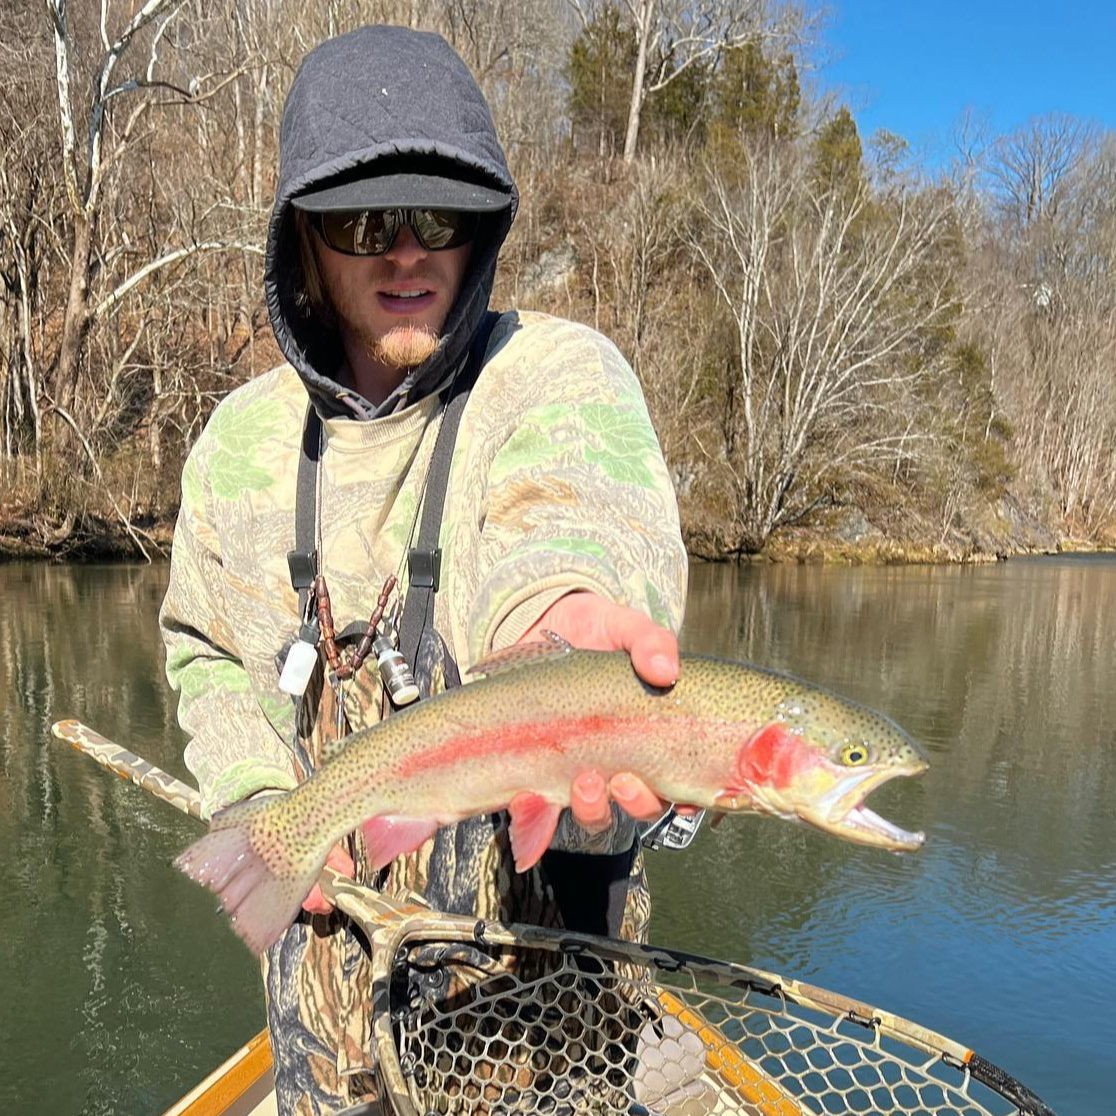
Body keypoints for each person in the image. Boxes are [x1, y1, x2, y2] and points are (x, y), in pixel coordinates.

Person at [159, 24, 688, 1116]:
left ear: (481, 229)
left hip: (549, 1032)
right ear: (303, 239)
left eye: (437, 216)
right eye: (361, 222)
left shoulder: (554, 374)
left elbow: (578, 519)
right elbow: (205, 650)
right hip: (324, 1016)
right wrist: (260, 798)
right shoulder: (233, 445)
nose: (405, 251)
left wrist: (566, 616)